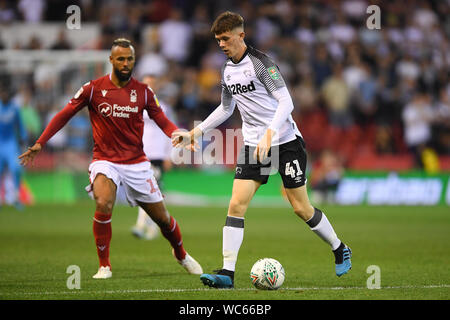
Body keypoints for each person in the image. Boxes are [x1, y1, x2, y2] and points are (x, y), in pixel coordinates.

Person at [173, 12, 352, 289]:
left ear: (241, 35)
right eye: (218, 40)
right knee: (236, 204)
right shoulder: (227, 70)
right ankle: (227, 274)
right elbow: (225, 108)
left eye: (226, 38)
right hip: (254, 145)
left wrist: (270, 133)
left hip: (286, 142)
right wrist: (195, 133)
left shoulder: (261, 64)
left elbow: (286, 102)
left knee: (300, 208)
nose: (221, 44)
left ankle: (339, 248)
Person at [19, 38, 202, 279]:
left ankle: (181, 254)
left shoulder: (144, 92)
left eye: (130, 59)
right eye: (121, 59)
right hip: (105, 161)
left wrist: (177, 134)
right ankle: (104, 265)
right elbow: (64, 115)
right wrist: (40, 142)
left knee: (163, 219)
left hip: (137, 163)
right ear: (111, 60)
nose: (126, 63)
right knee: (104, 202)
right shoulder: (92, 89)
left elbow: (162, 120)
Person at [131, 73, 174, 240]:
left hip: (156, 155)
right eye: (146, 83)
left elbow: (168, 132)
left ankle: (141, 225)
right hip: (140, 154)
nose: (149, 86)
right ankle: (158, 225)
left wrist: (169, 155)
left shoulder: (163, 107)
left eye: (152, 84)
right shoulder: (134, 106)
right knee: (149, 193)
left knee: (148, 191)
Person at [0, 84, 28, 210]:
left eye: (5, 93)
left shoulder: (14, 109)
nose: (4, 95)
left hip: (11, 143)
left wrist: (24, 140)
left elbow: (20, 126)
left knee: (16, 169)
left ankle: (16, 197)